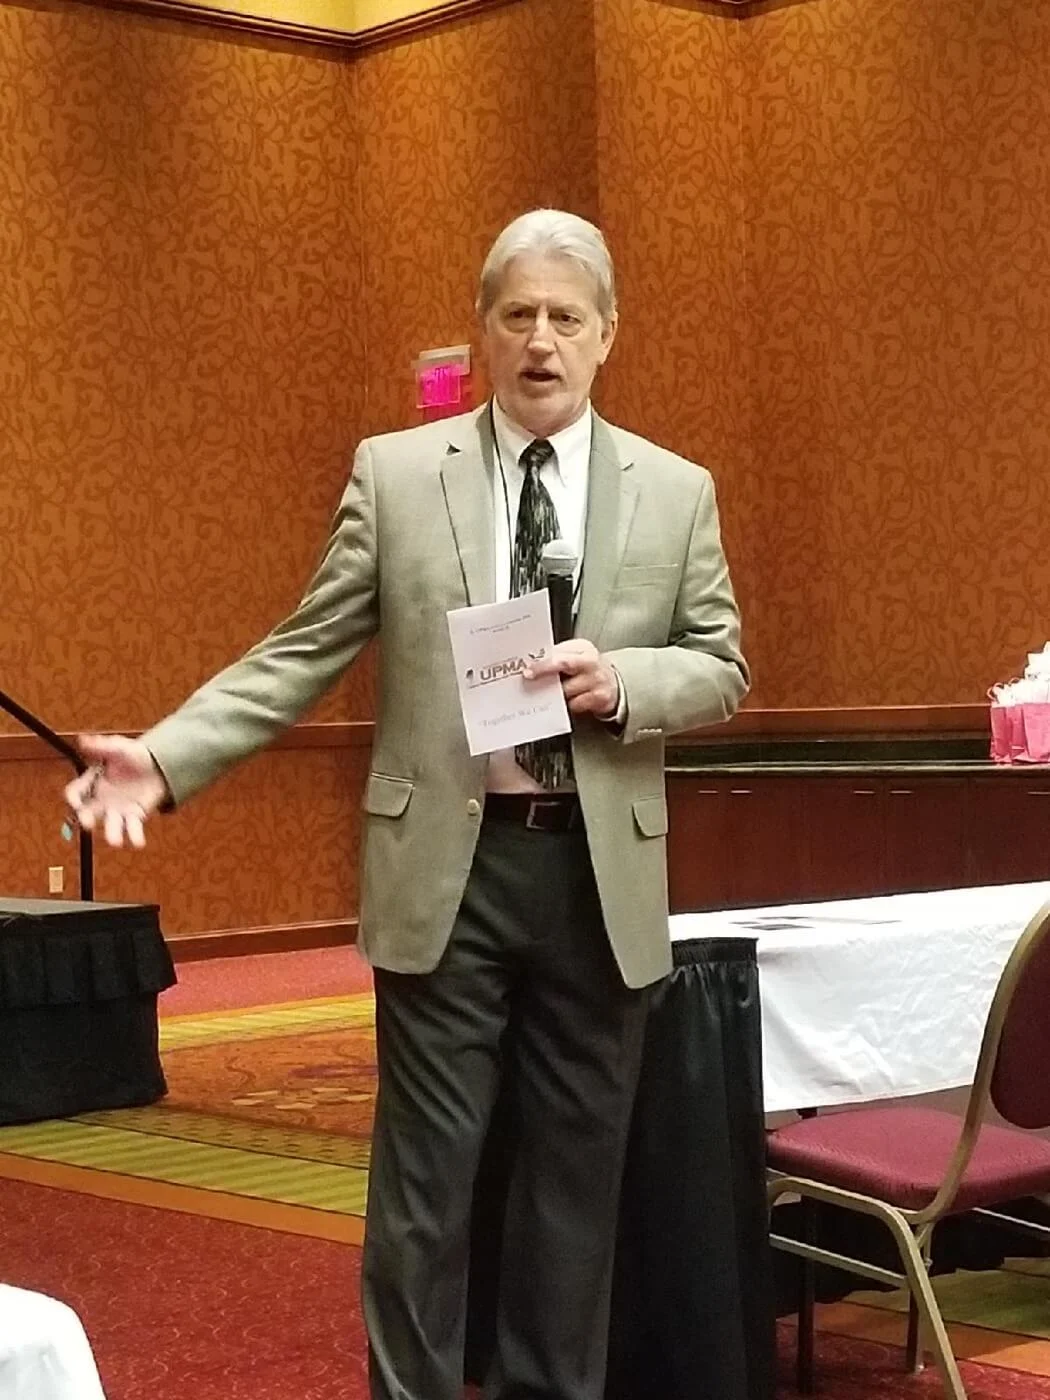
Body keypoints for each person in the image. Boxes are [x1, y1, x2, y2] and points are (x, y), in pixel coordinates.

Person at [64, 209, 748, 1400]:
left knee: (573, 1193)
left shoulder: (677, 491)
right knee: (425, 1190)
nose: (541, 340)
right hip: (448, 869)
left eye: (566, 317)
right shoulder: (395, 474)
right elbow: (300, 649)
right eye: (518, 314)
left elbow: (722, 664)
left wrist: (625, 680)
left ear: (608, 335)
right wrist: (166, 757)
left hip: (596, 875)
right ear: (483, 331)